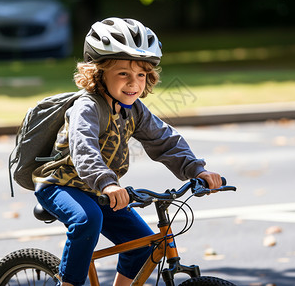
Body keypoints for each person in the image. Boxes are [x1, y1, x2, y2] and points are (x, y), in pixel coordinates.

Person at [32, 17, 223, 286]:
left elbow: (165, 140)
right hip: (60, 184)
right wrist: (107, 184)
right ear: (98, 73)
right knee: (87, 220)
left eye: (141, 75)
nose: (134, 83)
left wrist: (197, 169)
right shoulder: (86, 107)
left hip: (98, 188)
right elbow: (83, 148)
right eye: (123, 73)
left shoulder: (134, 110)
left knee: (142, 246)